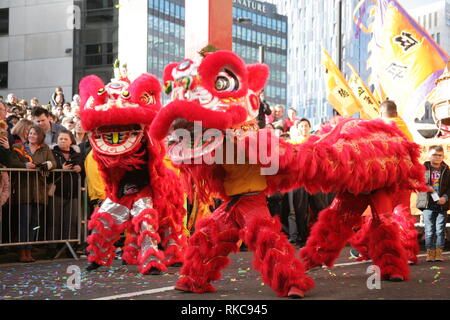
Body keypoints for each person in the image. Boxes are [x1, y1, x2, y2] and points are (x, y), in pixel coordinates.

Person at [10, 125, 56, 262]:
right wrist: (24, 166)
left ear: (40, 136)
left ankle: (29, 250)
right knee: (24, 221)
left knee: (35, 222)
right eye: (30, 133)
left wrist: (47, 164)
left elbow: (54, 162)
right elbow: (12, 161)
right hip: (24, 189)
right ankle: (22, 251)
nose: (31, 136)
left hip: (40, 191)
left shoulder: (45, 148)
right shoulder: (19, 148)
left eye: (34, 134)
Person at [49, 129, 83, 243]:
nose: (63, 141)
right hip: (57, 192)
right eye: (60, 139)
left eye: (65, 139)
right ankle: (52, 247)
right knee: (54, 220)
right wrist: (60, 169)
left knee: (71, 221)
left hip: (73, 193)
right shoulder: (52, 153)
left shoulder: (77, 154)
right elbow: (49, 171)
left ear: (71, 141)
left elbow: (83, 169)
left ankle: (69, 247)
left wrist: (80, 168)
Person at [416, 145, 449, 262]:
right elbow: (416, 182)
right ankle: (430, 253)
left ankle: (439, 253)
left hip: (442, 204)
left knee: (440, 230)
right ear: (429, 155)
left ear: (443, 156)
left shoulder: (446, 169)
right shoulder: (423, 168)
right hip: (427, 204)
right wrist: (426, 187)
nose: (437, 157)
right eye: (434, 154)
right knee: (429, 230)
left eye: (440, 155)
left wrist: (445, 198)